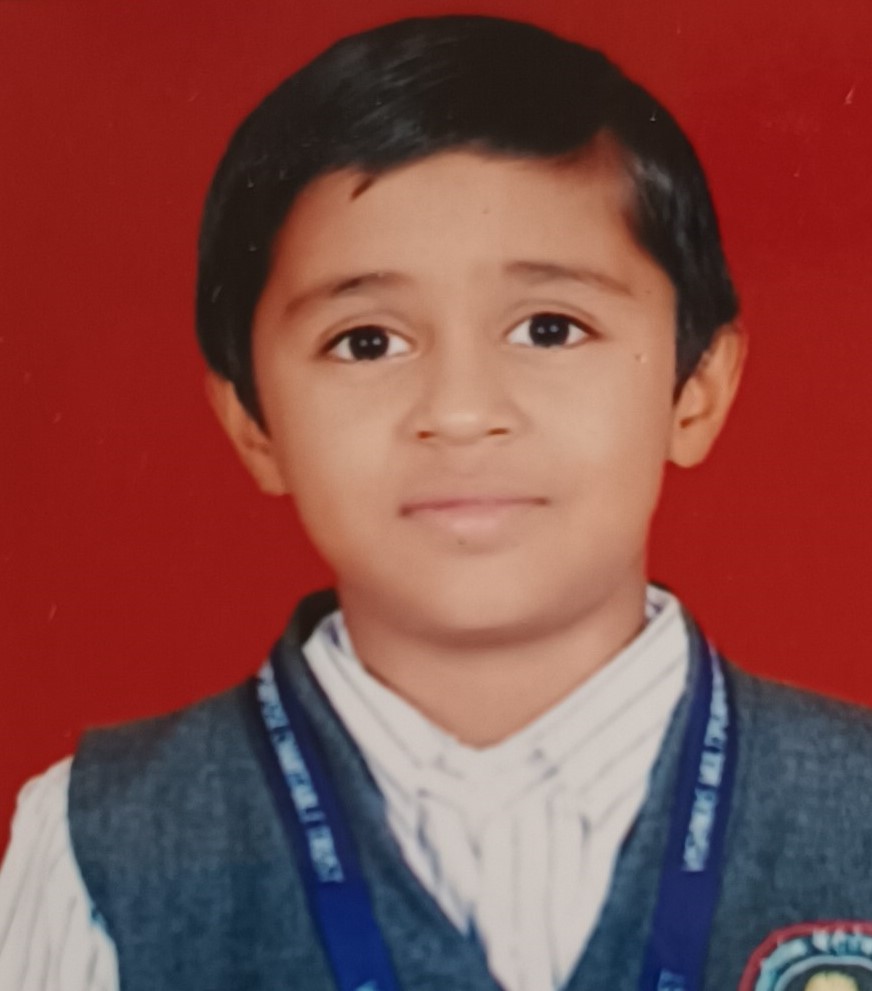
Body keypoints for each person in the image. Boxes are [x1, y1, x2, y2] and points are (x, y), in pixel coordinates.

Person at [3, 14, 872, 991]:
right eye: (366, 341)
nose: (459, 413)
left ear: (696, 388)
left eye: (550, 327)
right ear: (253, 421)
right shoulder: (100, 846)